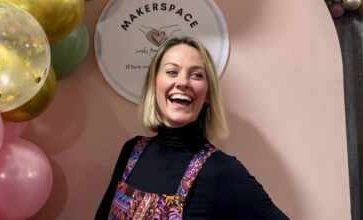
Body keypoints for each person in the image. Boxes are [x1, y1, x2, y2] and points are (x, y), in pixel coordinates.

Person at [95, 37, 288, 219]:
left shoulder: (221, 171)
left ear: (208, 93)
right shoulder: (132, 151)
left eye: (196, 75)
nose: (183, 82)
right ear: (154, 84)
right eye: (172, 72)